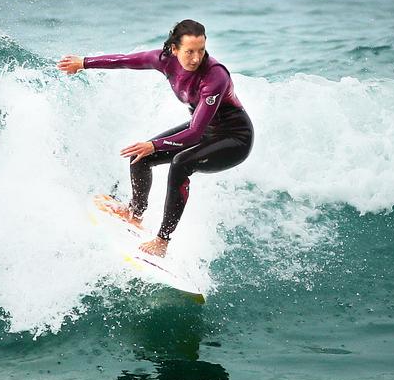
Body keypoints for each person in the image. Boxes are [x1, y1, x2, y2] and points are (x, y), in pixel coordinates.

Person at [57, 19, 254, 257]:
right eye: (189, 51)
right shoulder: (164, 61)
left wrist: (154, 145)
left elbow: (195, 132)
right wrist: (84, 63)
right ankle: (135, 214)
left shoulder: (214, 76)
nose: (196, 58)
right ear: (174, 49)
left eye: (201, 50)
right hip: (207, 130)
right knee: (139, 157)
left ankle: (162, 241)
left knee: (181, 163)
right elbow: (125, 61)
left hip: (235, 139)